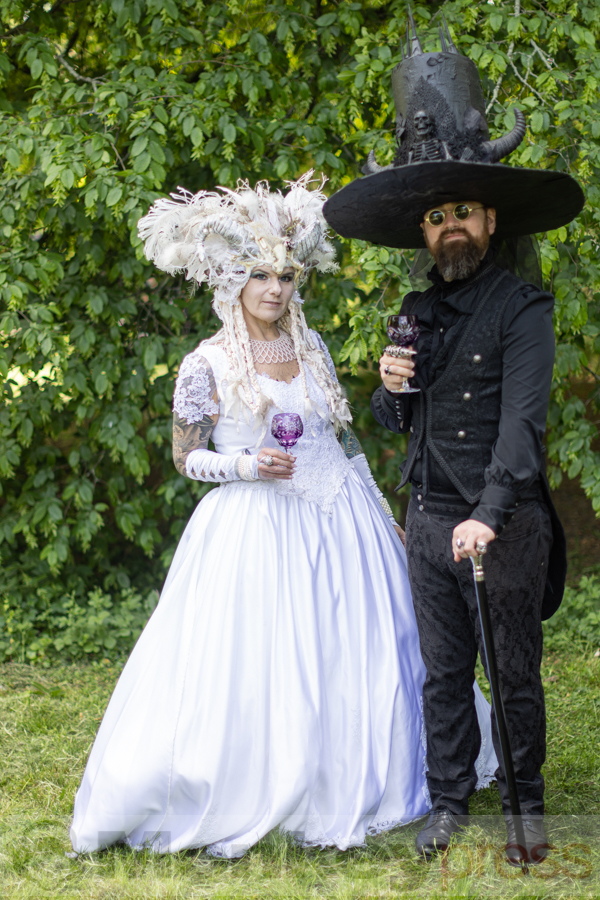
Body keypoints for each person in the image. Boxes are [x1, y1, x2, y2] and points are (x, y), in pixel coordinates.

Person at [69, 174, 497, 858]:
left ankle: (384, 771)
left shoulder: (313, 348)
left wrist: (381, 508)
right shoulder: (205, 363)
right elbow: (187, 458)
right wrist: (244, 467)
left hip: (344, 520)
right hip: (258, 529)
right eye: (260, 275)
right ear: (233, 281)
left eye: (287, 276)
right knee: (264, 664)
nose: (275, 289)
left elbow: (347, 436)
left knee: (375, 649)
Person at [323, 16, 583, 866]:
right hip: (429, 523)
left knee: (511, 674)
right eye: (436, 217)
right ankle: (447, 801)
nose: (450, 229)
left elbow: (523, 424)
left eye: (462, 212)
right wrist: (390, 393)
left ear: (488, 215)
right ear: (425, 232)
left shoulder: (523, 308)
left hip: (498, 523)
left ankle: (526, 812)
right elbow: (405, 422)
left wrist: (492, 513)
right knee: (440, 674)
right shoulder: (415, 311)